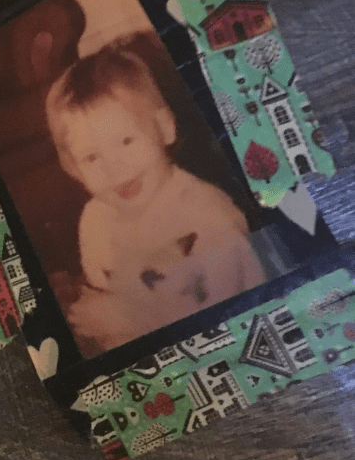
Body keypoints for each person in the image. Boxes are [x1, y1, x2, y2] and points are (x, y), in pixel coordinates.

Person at [46, 45, 264, 354]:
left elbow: (229, 320)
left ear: (164, 127)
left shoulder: (209, 215)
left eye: (126, 141)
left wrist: (131, 320)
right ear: (73, 169)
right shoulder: (95, 219)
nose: (114, 168)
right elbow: (103, 294)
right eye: (91, 157)